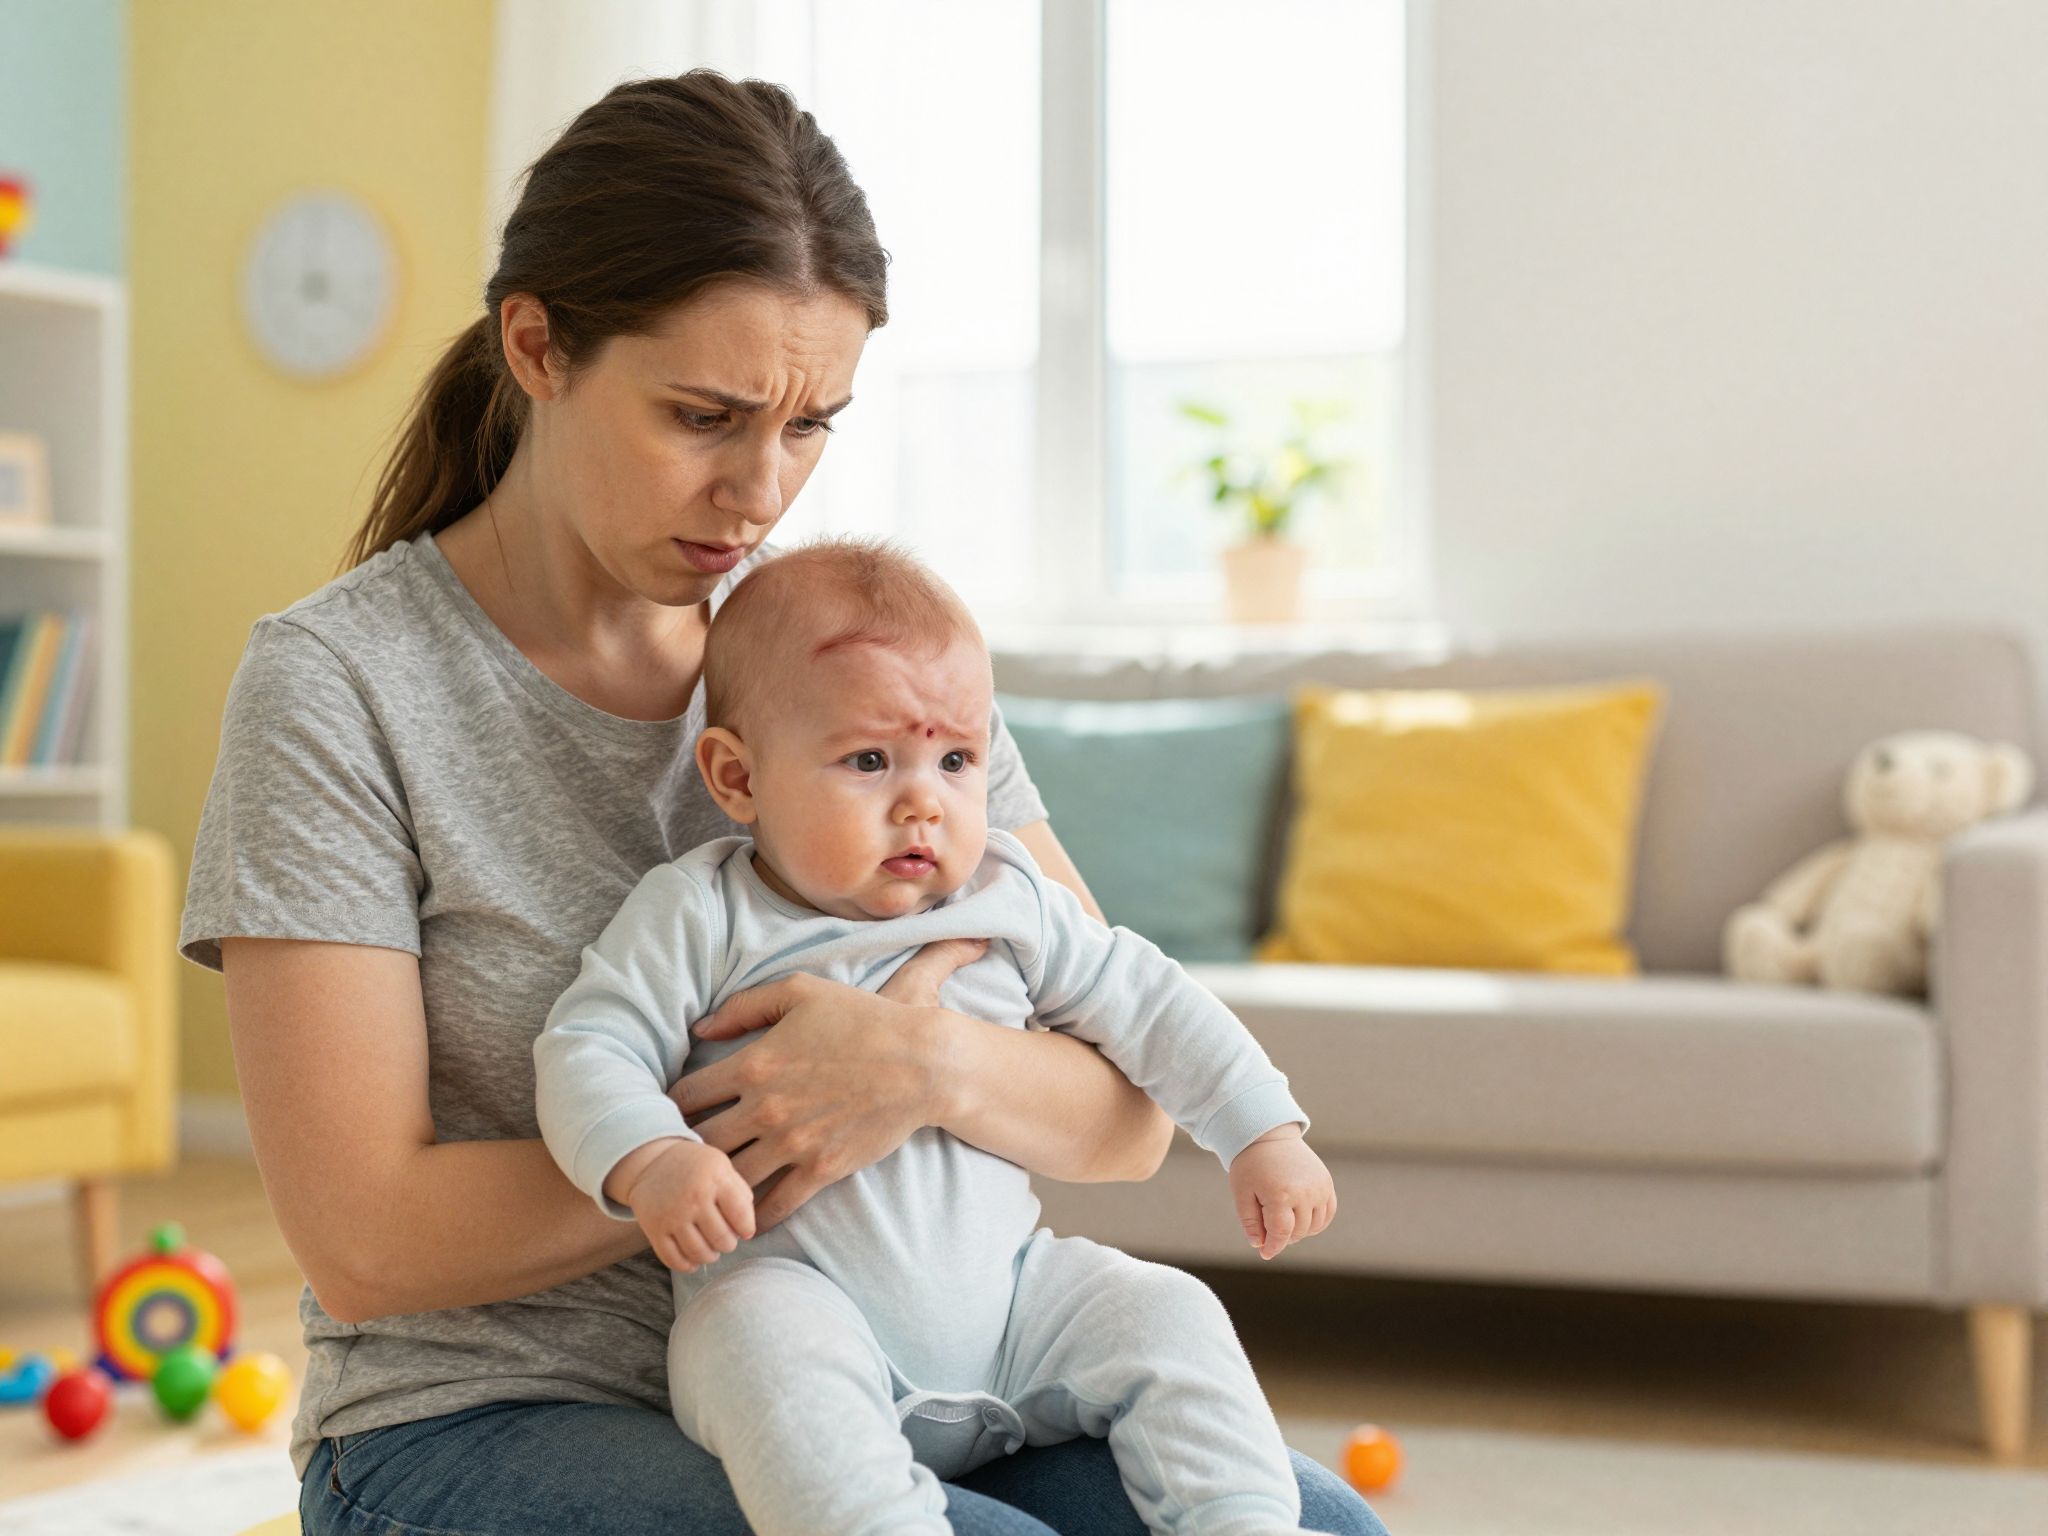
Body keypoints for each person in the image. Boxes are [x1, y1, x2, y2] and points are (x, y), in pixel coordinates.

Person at [178, 69, 1389, 1536]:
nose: (762, 491)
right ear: (538, 345)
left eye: (812, 424)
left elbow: (1121, 1116)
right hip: (486, 1420)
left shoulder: (857, 673)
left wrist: (919, 1069)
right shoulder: (341, 686)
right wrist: (769, 1122)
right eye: (706, 416)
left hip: (927, 1371)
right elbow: (366, 1242)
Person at [535, 536, 1339, 1535]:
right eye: (869, 760)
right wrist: (647, 1158)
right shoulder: (701, 913)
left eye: (955, 759)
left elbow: (1151, 1001)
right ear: (736, 778)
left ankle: (1239, 1521)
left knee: (1167, 1310)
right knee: (748, 1340)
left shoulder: (1006, 895)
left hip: (1012, 1314)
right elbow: (587, 1045)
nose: (923, 799)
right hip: (807, 1309)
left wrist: (1261, 1129)